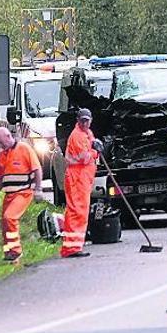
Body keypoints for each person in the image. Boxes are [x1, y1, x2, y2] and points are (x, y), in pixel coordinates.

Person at [0, 127, 42, 262]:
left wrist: (38, 189)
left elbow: (37, 169)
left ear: (7, 136)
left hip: (23, 192)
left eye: (1, 142)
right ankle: (8, 252)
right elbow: (0, 179)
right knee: (5, 223)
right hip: (9, 194)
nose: (0, 146)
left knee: (9, 217)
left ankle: (16, 251)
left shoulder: (24, 149)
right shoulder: (2, 155)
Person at [60, 108, 101, 258]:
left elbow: (90, 150)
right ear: (78, 120)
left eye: (87, 120)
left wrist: (95, 148)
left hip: (83, 177)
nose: (85, 123)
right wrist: (96, 151)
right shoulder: (77, 136)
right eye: (82, 120)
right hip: (77, 177)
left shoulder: (87, 133)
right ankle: (72, 247)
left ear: (91, 120)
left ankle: (75, 245)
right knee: (77, 211)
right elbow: (85, 157)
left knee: (80, 211)